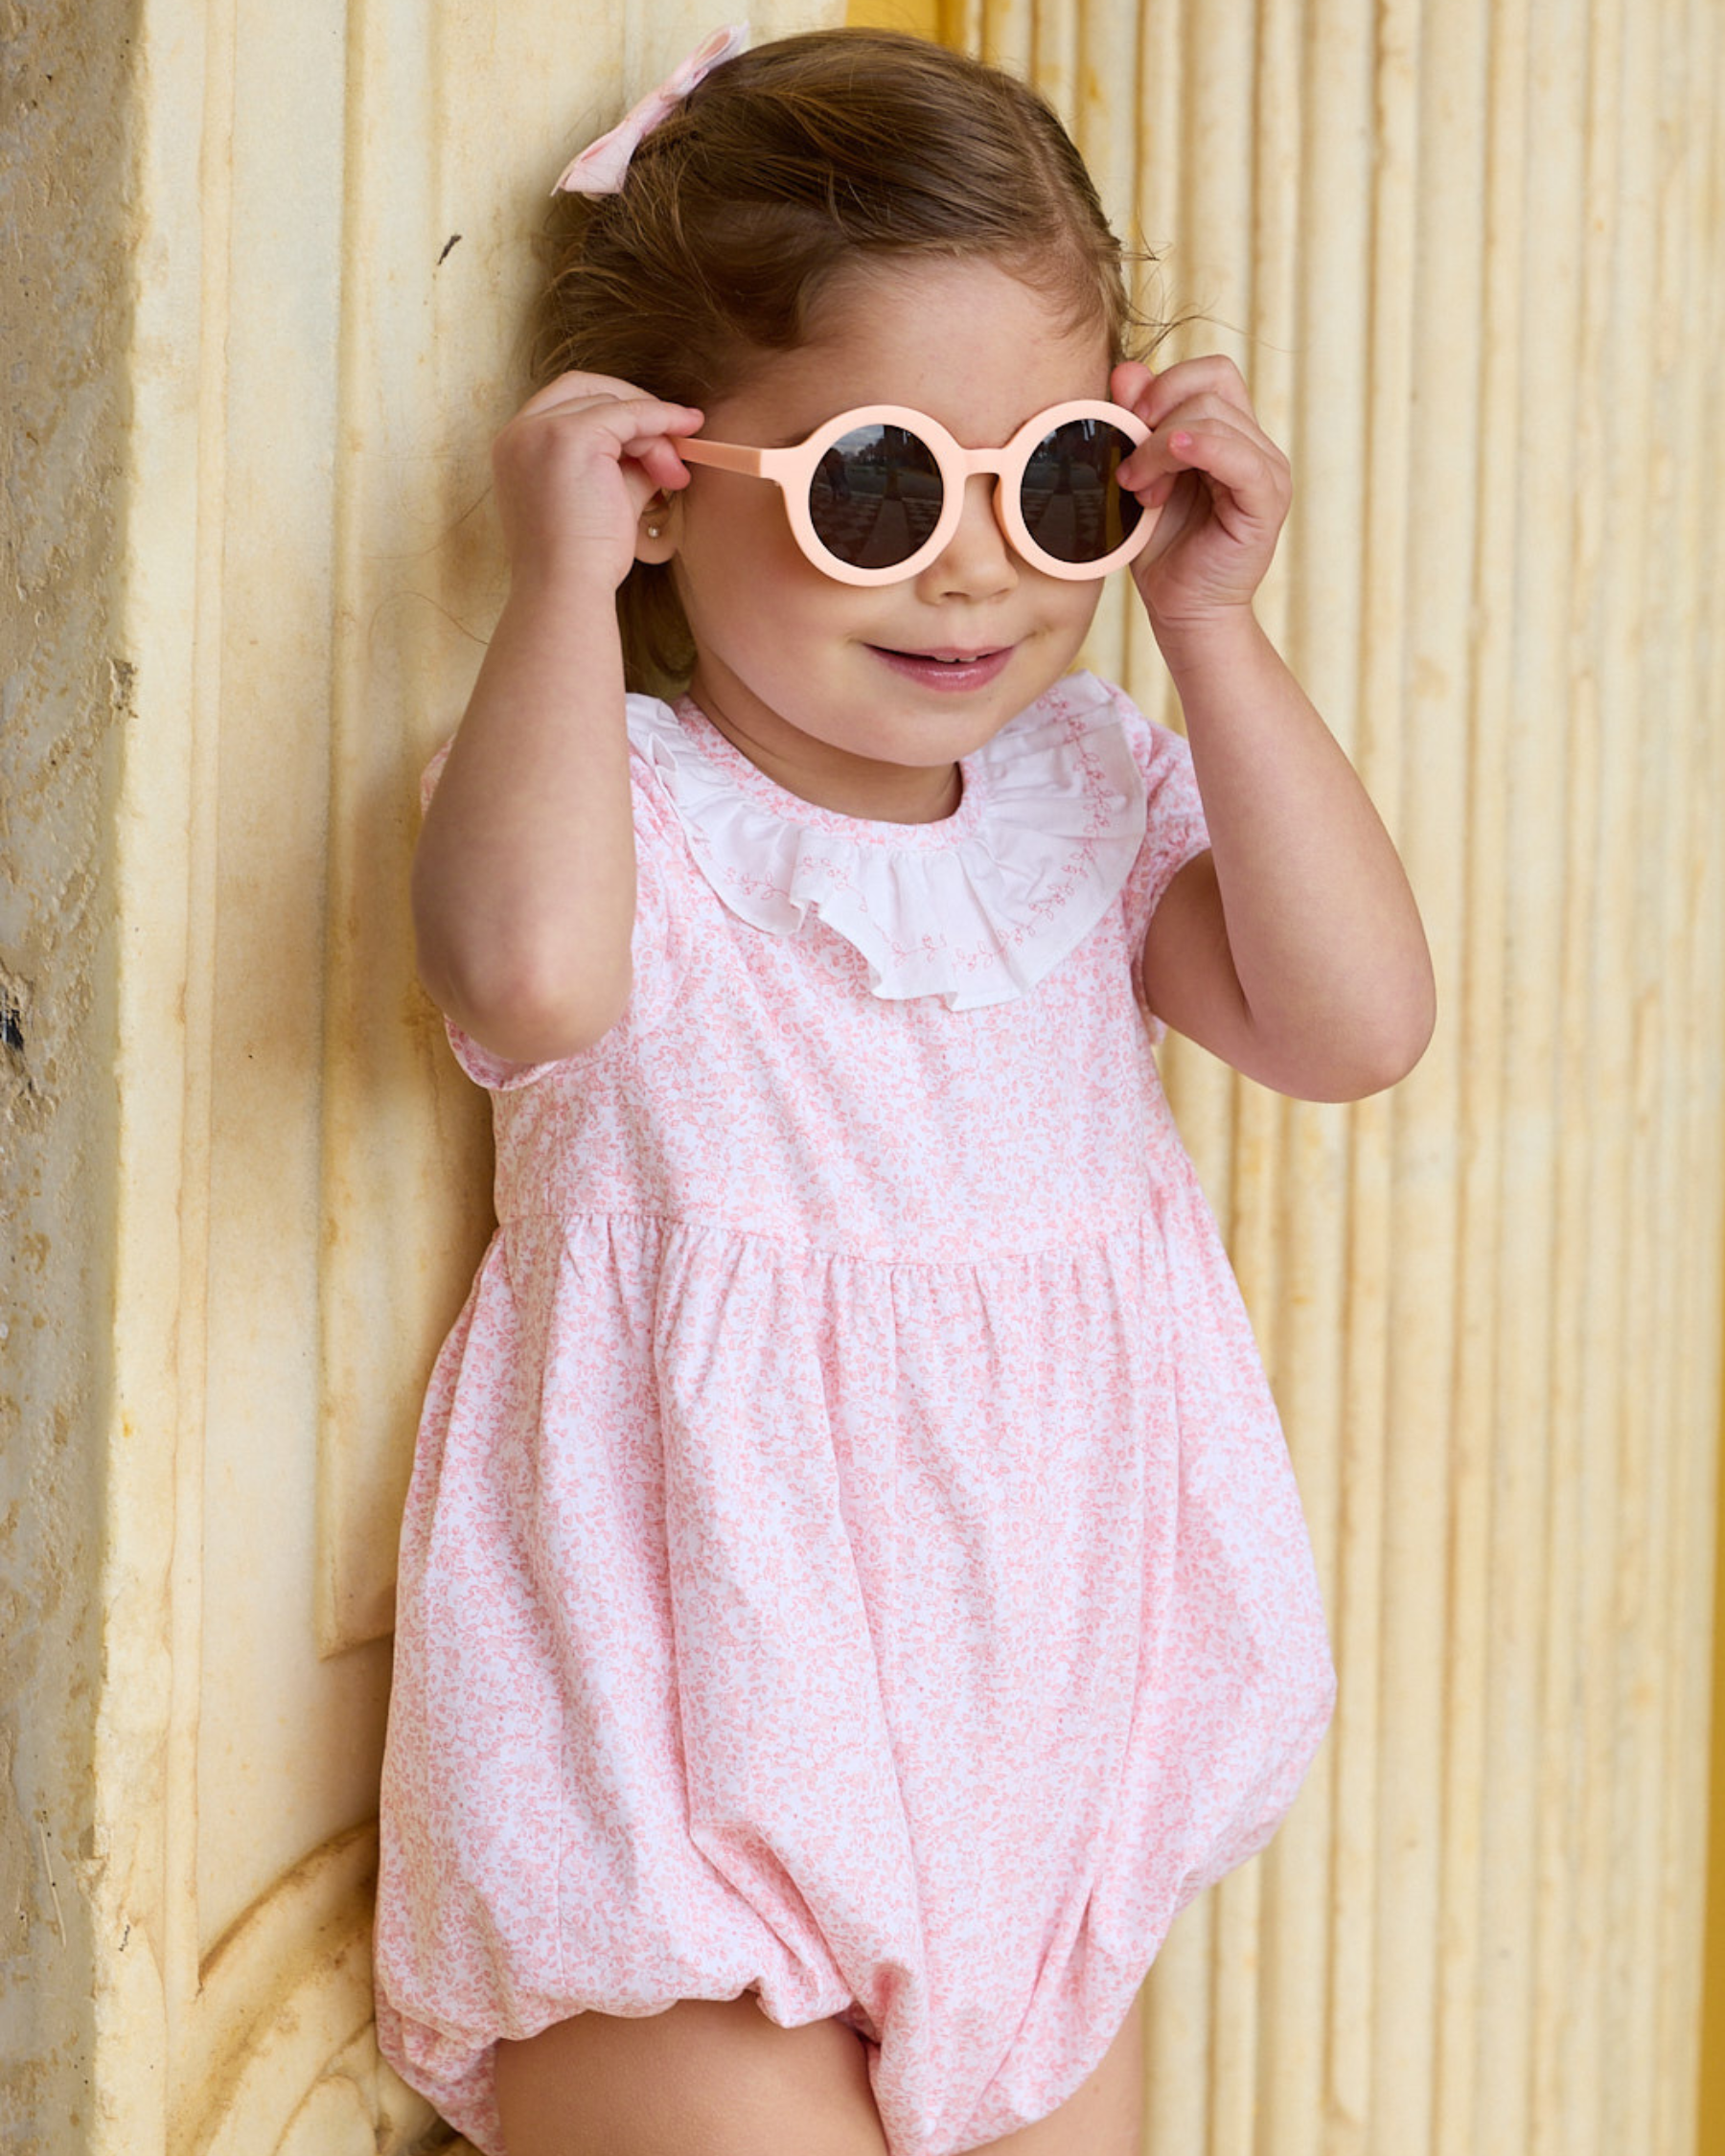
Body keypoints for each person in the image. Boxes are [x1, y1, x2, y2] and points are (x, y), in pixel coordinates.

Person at [372, 25, 1435, 2156]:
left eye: (1055, 484)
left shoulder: (1090, 795)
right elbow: (524, 974)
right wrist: (562, 585)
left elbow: (1356, 1026)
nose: (975, 570)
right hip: (681, 1778)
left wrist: (1210, 627)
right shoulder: (627, 812)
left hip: (1039, 1790)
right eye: (873, 485)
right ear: (666, 476)